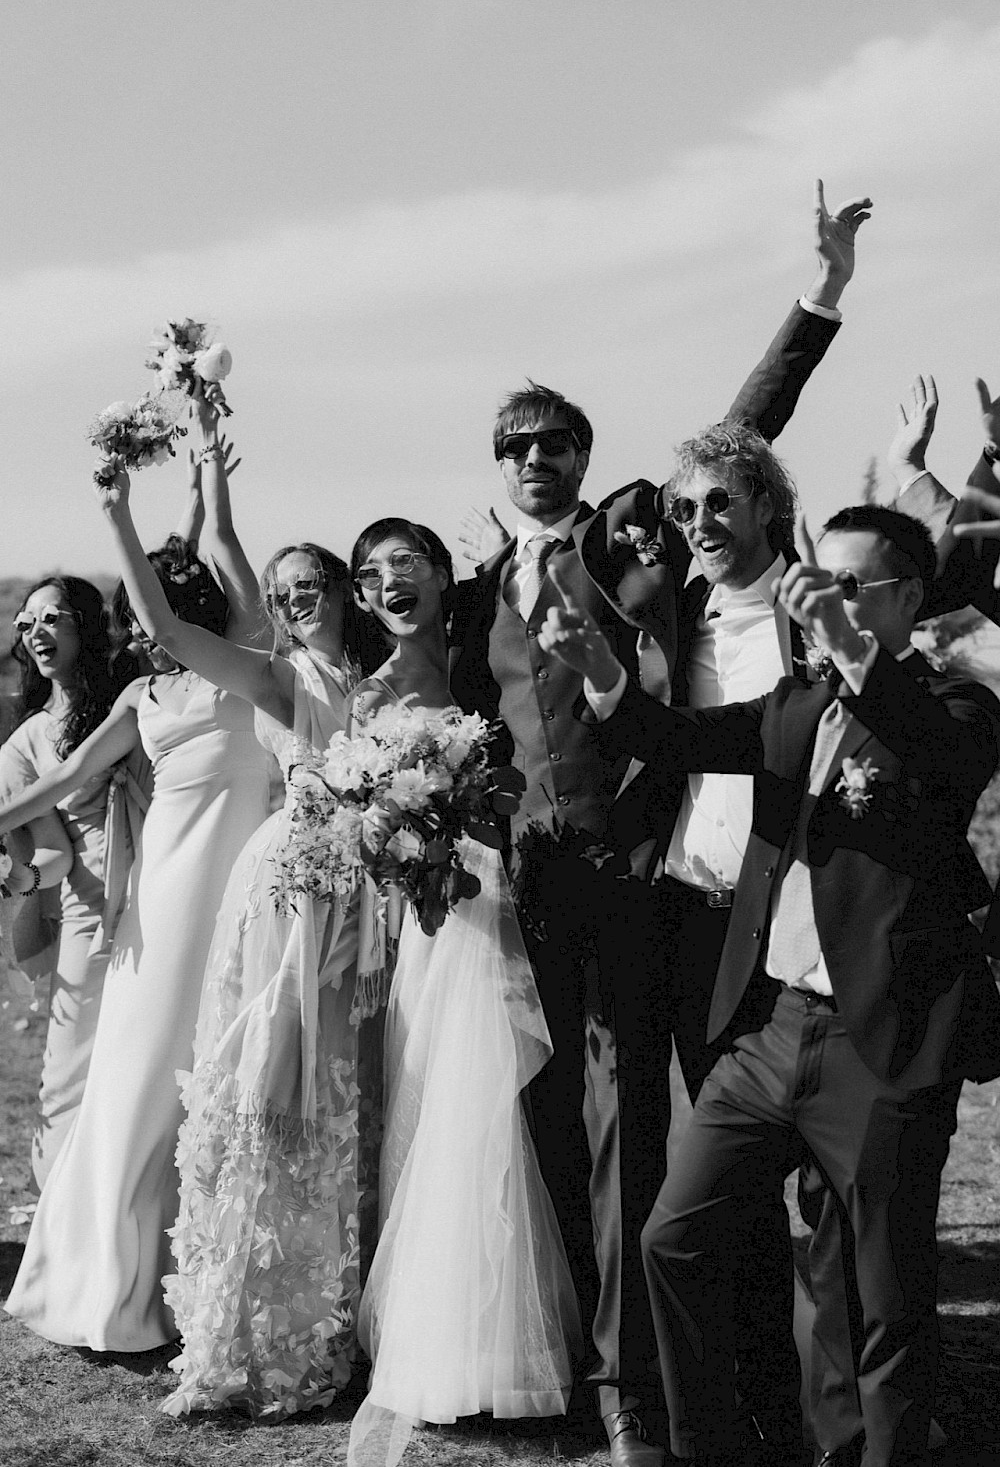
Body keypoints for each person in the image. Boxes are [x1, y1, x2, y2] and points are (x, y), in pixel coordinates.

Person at [449, 182, 871, 1466]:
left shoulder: (639, 540)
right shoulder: (474, 589)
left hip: (658, 882)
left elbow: (737, 439)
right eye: (518, 447)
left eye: (557, 444)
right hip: (528, 893)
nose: (538, 463)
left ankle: (657, 1394)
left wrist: (819, 297)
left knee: (650, 1128)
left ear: (583, 458)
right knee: (550, 1126)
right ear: (499, 466)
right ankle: (584, 1357)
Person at [539, 505, 1000, 1466]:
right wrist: (597, 671)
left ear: (910, 598)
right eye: (815, 581)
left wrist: (847, 649)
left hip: (886, 1038)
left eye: (848, 587)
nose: (820, 599)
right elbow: (675, 739)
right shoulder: (796, 706)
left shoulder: (958, 706)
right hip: (776, 1030)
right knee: (675, 1237)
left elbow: (938, 769)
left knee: (875, 1300)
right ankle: (713, 1447)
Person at [3, 425, 274, 1352]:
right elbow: (67, 778)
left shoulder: (251, 670)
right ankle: (111, 1285)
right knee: (138, 1076)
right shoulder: (141, 701)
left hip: (246, 898)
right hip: (159, 906)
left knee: (225, 1080)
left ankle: (198, 1277)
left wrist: (206, 477)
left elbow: (227, 561)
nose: (144, 632)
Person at [347, 518, 581, 1467]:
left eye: (407, 562)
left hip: (518, 894)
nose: (390, 581)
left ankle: (520, 1334)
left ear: (445, 576)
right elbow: (365, 829)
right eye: (371, 574)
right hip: (444, 925)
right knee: (449, 1114)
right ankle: (455, 1347)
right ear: (364, 602)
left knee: (521, 1119)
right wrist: (416, 855)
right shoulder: (370, 699)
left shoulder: (485, 662)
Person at [156, 520, 377, 1417]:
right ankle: (248, 1331)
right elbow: (174, 635)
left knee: (354, 1098)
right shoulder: (278, 677)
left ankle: (347, 1319)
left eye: (308, 581)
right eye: (280, 590)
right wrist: (122, 514)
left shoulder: (383, 677)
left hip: (371, 887)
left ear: (340, 588)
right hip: (293, 891)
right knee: (271, 1093)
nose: (292, 599)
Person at [0, 575, 147, 1187]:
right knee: (66, 1077)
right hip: (91, 912)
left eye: (51, 618)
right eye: (25, 623)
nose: (36, 632)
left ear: (86, 625)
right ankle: (57, 1234)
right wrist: (15, 882)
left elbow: (163, 598)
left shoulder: (139, 690)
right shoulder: (25, 741)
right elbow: (53, 858)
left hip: (167, 884)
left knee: (150, 1066)